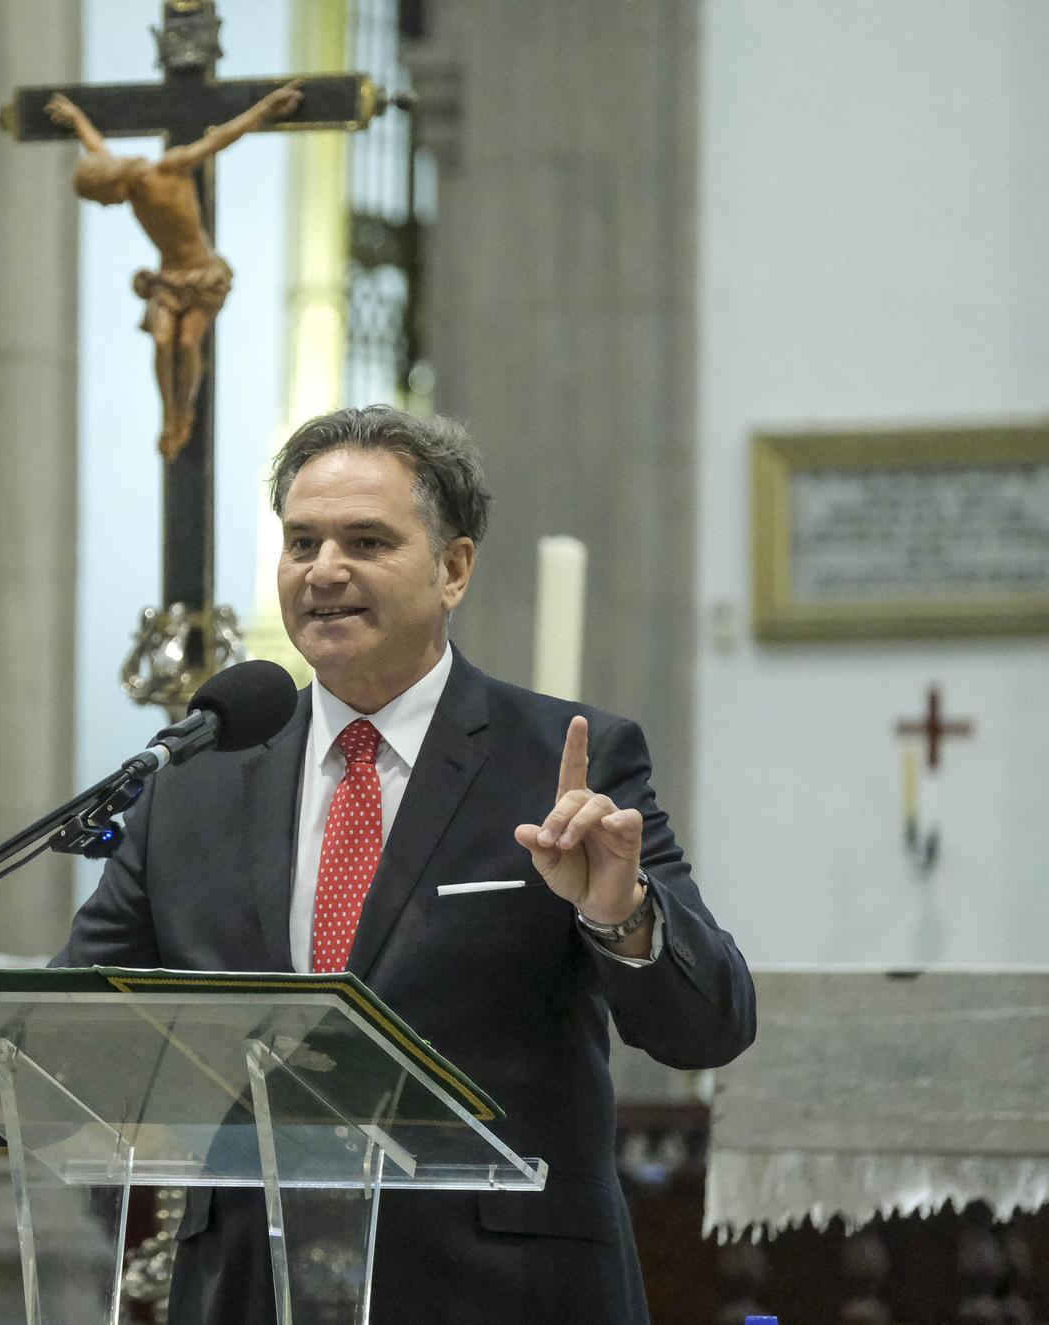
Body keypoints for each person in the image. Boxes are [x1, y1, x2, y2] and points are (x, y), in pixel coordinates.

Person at [59, 405, 755, 1323]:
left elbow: (709, 1026)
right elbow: (72, 1031)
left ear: (454, 567)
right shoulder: (193, 779)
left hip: (498, 1291)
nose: (324, 571)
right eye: (301, 541)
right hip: (248, 1288)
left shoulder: (563, 761)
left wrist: (617, 914)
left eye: (365, 540)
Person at [46, 81, 303, 461]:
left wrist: (265, 108)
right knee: (164, 339)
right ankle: (171, 417)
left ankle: (185, 411)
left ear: (114, 184)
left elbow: (220, 140)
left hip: (202, 275)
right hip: (167, 278)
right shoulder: (124, 181)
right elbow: (96, 146)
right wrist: (77, 119)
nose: (107, 207)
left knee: (186, 343)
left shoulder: (169, 169)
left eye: (104, 201)